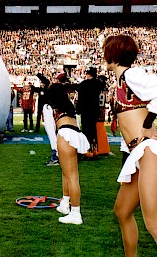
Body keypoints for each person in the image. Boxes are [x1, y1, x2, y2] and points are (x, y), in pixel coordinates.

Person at [102, 34, 157, 256]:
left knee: (153, 222)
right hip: (137, 155)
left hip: (147, 152)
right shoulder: (122, 79)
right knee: (122, 211)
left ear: (113, 56)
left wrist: (147, 124)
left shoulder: (131, 74)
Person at [45, 82, 90, 225]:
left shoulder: (50, 107)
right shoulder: (68, 104)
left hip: (65, 135)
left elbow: (50, 129)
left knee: (72, 176)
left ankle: (75, 213)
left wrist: (55, 147)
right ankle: (65, 204)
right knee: (66, 173)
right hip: (75, 134)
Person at [75, 67, 103, 158]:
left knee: (86, 130)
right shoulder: (98, 83)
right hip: (94, 109)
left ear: (89, 74)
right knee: (93, 130)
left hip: (86, 110)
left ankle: (87, 150)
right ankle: (95, 149)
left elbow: (80, 95)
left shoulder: (84, 84)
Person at [36, 73, 59, 166]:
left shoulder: (56, 88)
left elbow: (47, 82)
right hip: (58, 112)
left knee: (52, 134)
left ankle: (56, 156)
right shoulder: (61, 88)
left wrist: (39, 75)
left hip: (51, 110)